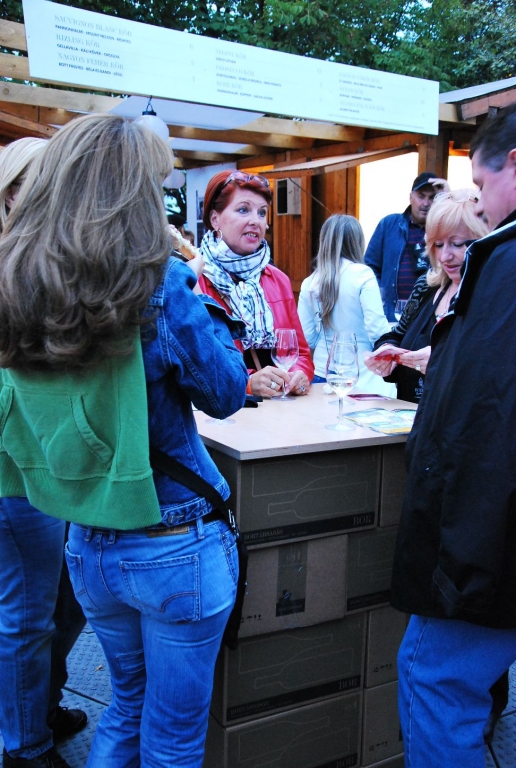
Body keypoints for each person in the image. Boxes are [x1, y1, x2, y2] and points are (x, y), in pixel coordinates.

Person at [0, 114, 248, 768]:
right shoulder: (158, 281)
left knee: (126, 705)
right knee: (172, 735)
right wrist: (203, 292)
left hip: (87, 535)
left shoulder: (22, 278)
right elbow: (225, 391)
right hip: (174, 536)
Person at [390, 102, 516, 767]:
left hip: (486, 545)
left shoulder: (505, 263)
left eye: (483, 185)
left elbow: (478, 427)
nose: (484, 206)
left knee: (434, 680)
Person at [0, 137, 87, 768]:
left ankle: (40, 709)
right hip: (14, 465)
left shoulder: (52, 256)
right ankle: (24, 746)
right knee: (28, 613)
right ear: (11, 193)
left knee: (68, 603)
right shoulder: (14, 265)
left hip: (53, 462)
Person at [364, 190, 488, 403]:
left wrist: (442, 361)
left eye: (457, 243)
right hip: (410, 417)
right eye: (438, 245)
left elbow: (496, 367)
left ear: (481, 240)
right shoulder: (426, 286)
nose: (445, 256)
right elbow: (397, 335)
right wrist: (386, 353)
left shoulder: (493, 295)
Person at [198, 170, 314, 398]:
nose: (256, 221)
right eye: (243, 210)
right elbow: (196, 361)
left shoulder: (278, 279)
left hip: (275, 411)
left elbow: (301, 354)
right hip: (221, 413)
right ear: (215, 219)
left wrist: (299, 374)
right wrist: (248, 383)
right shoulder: (195, 279)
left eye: (262, 212)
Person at [297, 214, 391, 393]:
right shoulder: (363, 275)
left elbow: (308, 338)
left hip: (322, 373)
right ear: (357, 242)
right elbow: (377, 330)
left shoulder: (309, 283)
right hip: (360, 375)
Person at [365, 171, 449, 321]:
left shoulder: (444, 230)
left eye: (432, 198)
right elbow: (369, 266)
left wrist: (448, 199)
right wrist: (380, 298)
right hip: (391, 316)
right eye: (421, 196)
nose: (426, 203)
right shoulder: (388, 224)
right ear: (411, 197)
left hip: (427, 316)